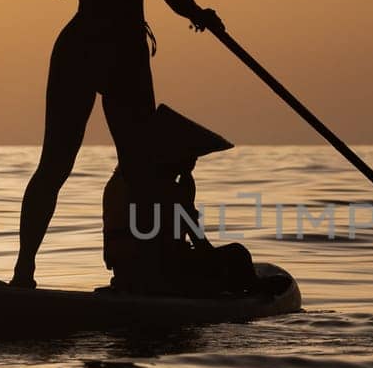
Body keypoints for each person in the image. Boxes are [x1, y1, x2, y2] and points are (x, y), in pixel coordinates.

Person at [11, 0, 224, 289]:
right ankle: (28, 272)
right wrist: (198, 13)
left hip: (89, 46)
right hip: (114, 51)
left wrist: (200, 15)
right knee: (101, 167)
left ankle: (131, 272)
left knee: (122, 167)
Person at [101, 105, 258, 296]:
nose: (193, 162)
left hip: (127, 276)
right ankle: (255, 294)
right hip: (161, 279)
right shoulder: (167, 190)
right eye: (189, 155)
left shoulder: (119, 181)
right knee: (237, 254)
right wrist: (186, 199)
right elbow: (202, 248)